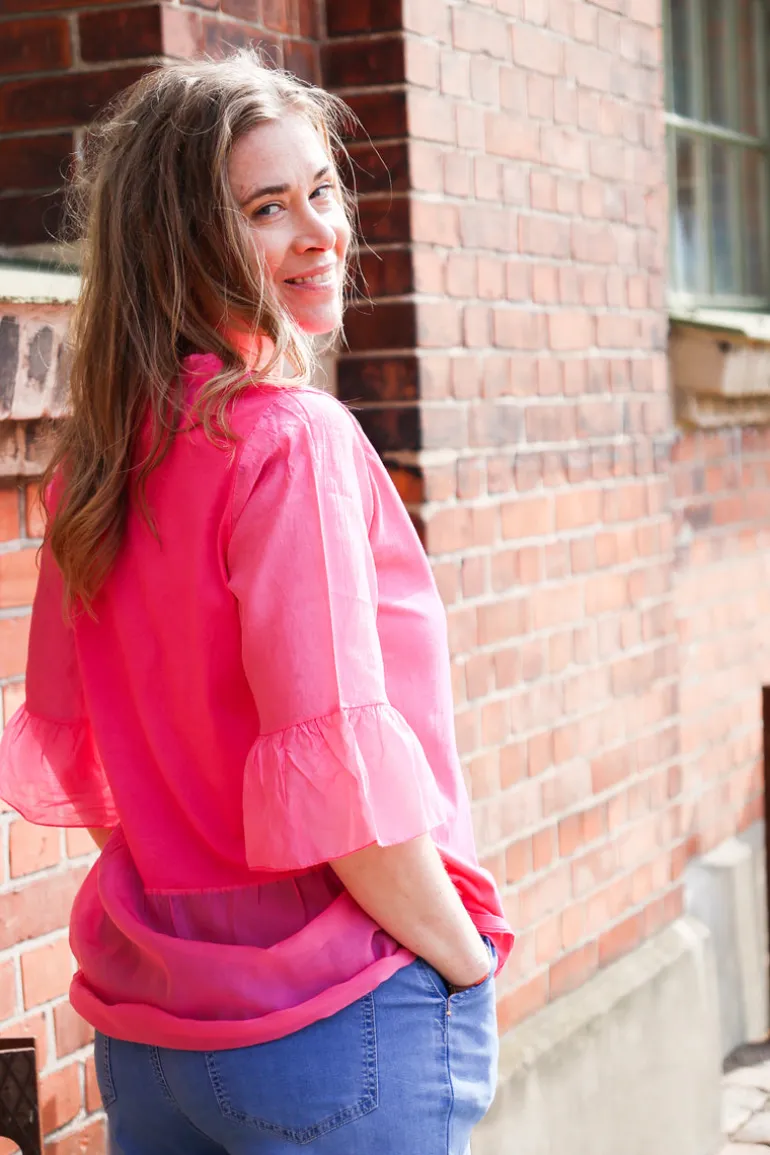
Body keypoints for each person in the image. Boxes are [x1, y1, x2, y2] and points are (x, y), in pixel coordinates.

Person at [0, 51, 514, 1155]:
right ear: (178, 243)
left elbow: (90, 762)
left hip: (158, 1035)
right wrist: (464, 962)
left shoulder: (101, 465)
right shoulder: (291, 442)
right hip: (338, 1020)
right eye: (266, 208)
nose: (320, 231)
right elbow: (343, 790)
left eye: (321, 190)